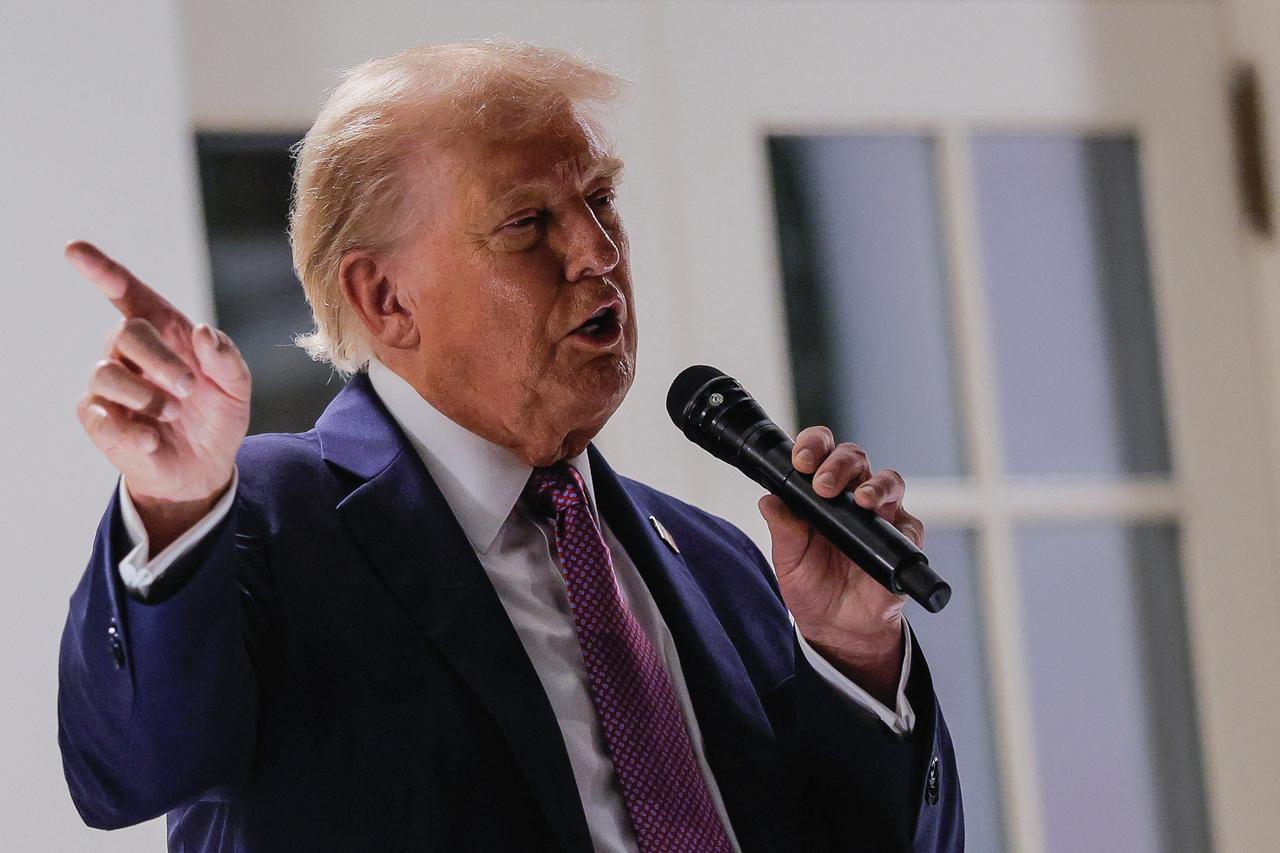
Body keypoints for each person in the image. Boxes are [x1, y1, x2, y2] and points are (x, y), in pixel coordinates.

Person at [57, 42, 962, 852]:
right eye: (529, 223)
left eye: (601, 199)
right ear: (385, 300)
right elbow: (129, 772)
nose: (597, 251)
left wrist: (854, 656)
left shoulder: (721, 562)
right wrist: (175, 507)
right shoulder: (268, 514)